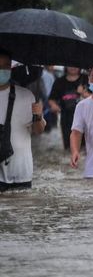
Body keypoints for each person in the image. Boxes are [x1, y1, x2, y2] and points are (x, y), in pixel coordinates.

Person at [0, 52, 46, 192]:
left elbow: (38, 131)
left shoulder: (26, 95)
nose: (2, 70)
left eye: (6, 66)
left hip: (21, 173)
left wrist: (38, 116)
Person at [48, 67, 88, 150]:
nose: (72, 67)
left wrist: (84, 93)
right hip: (66, 120)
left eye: (75, 65)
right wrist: (54, 106)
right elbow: (52, 99)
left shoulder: (86, 79)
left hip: (85, 120)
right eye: (70, 65)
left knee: (85, 148)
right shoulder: (59, 82)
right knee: (69, 148)